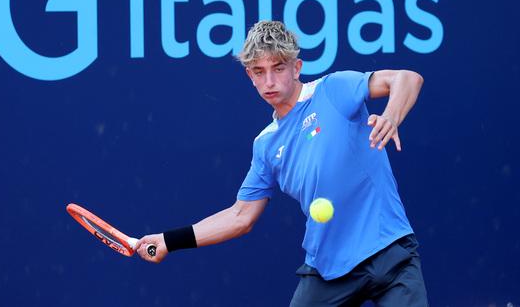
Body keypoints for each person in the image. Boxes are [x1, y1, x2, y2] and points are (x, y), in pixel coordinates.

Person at [135, 20, 428, 306]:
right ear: (250, 76)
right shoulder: (266, 145)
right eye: (259, 71)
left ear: (296, 68)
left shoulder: (333, 90)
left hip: (390, 251)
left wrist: (391, 117)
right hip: (329, 270)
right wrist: (169, 241)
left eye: (278, 68)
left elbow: (407, 78)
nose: (269, 81)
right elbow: (240, 216)